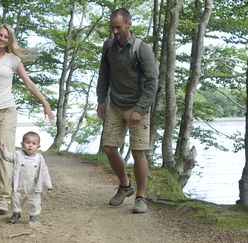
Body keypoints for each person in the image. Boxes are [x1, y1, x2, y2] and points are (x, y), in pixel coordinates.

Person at [0, 24, 55, 215]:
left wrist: (45, 104)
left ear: (9, 40)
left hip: (7, 112)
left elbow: (29, 84)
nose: (3, 38)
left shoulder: (13, 60)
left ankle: (5, 199)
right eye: (0, 35)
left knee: (3, 154)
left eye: (6, 36)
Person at [96, 8, 158, 214]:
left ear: (129, 24)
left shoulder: (141, 48)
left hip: (137, 105)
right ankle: (125, 186)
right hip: (115, 103)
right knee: (109, 147)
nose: (114, 31)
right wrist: (101, 100)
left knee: (139, 151)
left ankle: (141, 197)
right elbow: (104, 73)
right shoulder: (108, 46)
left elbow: (152, 82)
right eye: (112, 27)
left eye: (118, 27)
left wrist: (140, 109)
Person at [0, 131, 52, 225]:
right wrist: (3, 150)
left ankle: (34, 216)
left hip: (34, 186)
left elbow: (44, 172)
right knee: (16, 200)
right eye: (27, 143)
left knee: (35, 202)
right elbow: (8, 157)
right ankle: (16, 214)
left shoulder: (39, 158)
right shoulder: (18, 155)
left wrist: (48, 185)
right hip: (19, 185)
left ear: (38, 146)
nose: (30, 145)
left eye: (33, 143)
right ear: (22, 144)